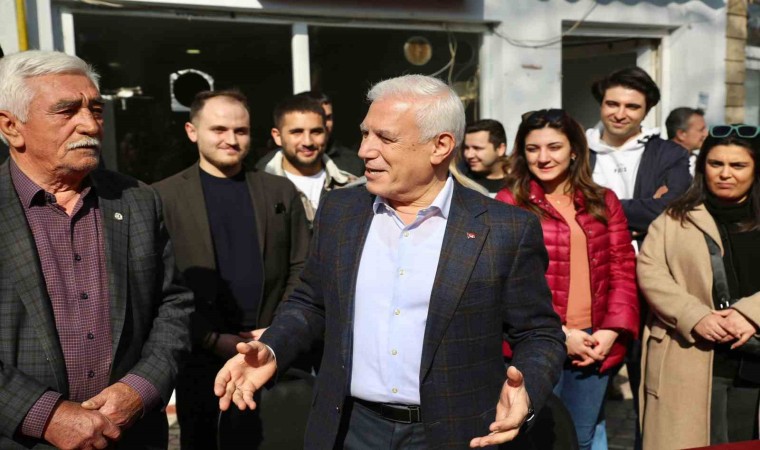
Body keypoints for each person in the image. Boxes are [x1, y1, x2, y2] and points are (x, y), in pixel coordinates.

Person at [214, 74, 566, 449]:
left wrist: (528, 387)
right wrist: (273, 348)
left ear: (440, 146)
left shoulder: (504, 229)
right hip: (350, 428)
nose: (365, 150)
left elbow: (538, 333)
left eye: (385, 138)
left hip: (456, 433)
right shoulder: (341, 212)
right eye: (366, 134)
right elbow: (311, 301)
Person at [0, 50, 192, 449]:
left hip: (132, 435)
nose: (89, 125)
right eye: (66, 111)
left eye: (96, 109)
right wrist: (44, 415)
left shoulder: (137, 200)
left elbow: (174, 306)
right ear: (12, 127)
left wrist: (141, 388)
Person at [153, 90, 311, 449]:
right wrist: (210, 338)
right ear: (192, 131)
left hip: (270, 353)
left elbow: (302, 266)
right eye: (219, 129)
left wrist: (277, 331)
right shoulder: (162, 197)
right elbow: (159, 283)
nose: (232, 139)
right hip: (199, 359)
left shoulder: (278, 191)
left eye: (241, 130)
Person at [495, 109, 638, 450]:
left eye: (554, 147)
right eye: (533, 148)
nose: (543, 157)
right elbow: (503, 282)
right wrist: (562, 335)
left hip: (594, 339)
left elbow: (622, 267)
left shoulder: (602, 200)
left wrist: (612, 330)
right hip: (534, 340)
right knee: (537, 438)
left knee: (582, 436)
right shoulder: (510, 202)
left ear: (574, 150)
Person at [638, 125, 760, 449]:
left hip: (753, 360)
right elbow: (651, 271)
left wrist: (751, 314)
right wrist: (694, 316)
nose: (725, 174)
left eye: (738, 165)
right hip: (690, 354)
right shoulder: (674, 218)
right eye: (716, 163)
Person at [257, 95, 358, 226]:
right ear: (277, 136)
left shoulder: (352, 187)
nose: (307, 142)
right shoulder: (258, 189)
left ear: (326, 133)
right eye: (297, 132)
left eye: (316, 132)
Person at [462, 119, 509, 197]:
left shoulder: (520, 182)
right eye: (466, 148)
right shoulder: (459, 179)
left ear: (500, 149)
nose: (469, 155)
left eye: (477, 148)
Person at [666, 107, 708, 176]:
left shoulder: (702, 164)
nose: (706, 134)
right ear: (681, 134)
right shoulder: (657, 162)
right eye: (701, 130)